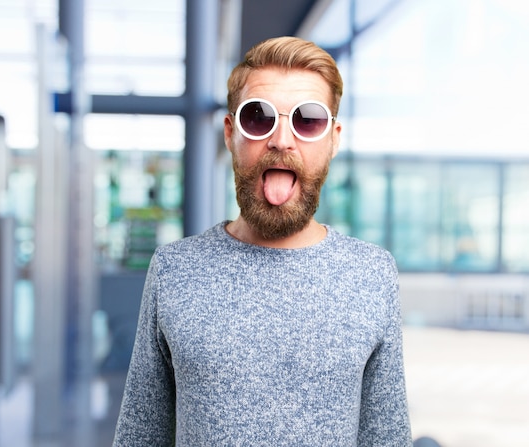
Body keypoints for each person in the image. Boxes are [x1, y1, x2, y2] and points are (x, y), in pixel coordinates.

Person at [112, 36, 412, 446]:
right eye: (259, 117)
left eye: (308, 120)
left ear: (334, 139)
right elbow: (138, 437)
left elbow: (387, 439)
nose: (282, 140)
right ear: (230, 133)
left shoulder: (371, 274)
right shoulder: (174, 270)